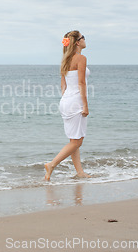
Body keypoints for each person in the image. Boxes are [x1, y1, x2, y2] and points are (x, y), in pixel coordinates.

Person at [44, 30, 92, 181]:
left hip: (65, 101)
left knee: (74, 140)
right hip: (75, 102)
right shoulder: (81, 58)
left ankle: (79, 172)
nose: (85, 40)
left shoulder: (65, 59)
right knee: (78, 141)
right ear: (78, 42)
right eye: (83, 37)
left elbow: (63, 85)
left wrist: (66, 100)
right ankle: (52, 164)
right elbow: (81, 83)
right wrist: (85, 105)